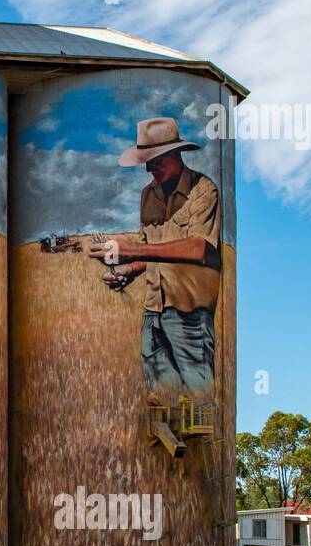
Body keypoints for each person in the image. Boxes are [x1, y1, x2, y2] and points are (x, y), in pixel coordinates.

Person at [87, 117, 220, 390]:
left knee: (199, 395)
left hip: (189, 311)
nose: (149, 169)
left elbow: (199, 248)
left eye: (154, 161)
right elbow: (152, 250)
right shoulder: (148, 194)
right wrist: (128, 271)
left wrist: (132, 249)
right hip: (153, 309)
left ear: (174, 154)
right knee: (161, 396)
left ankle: (200, 435)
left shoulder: (203, 190)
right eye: (146, 162)